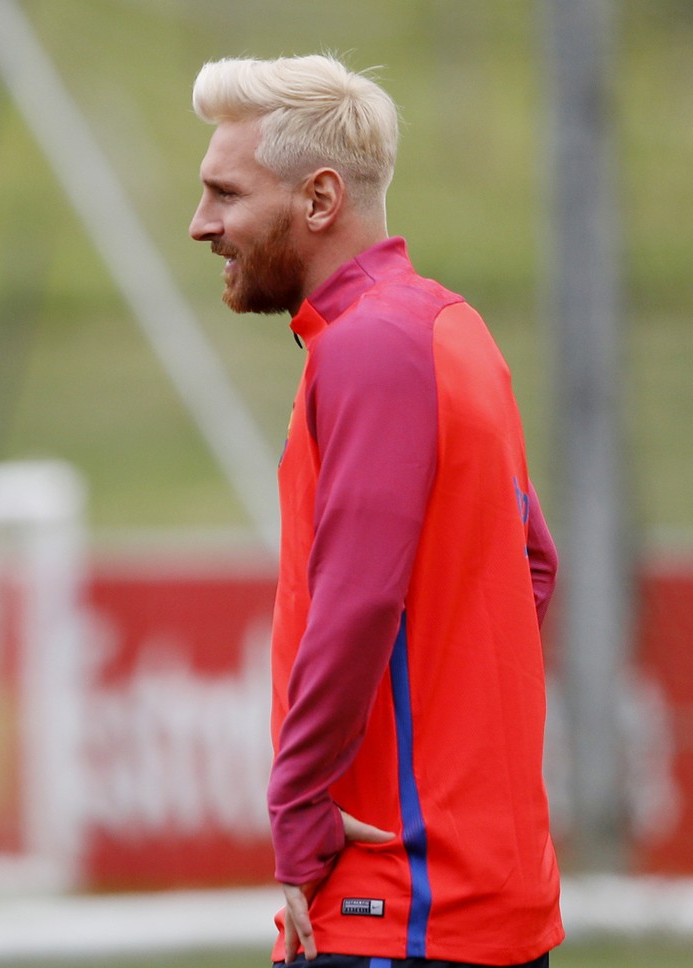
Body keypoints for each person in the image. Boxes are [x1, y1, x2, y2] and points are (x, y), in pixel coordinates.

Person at [188, 55, 563, 967]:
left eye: (225, 194)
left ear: (319, 201)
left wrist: (301, 806)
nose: (202, 225)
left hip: (396, 900)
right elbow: (533, 568)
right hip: (483, 896)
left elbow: (356, 603)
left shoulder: (370, 350)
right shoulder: (448, 328)